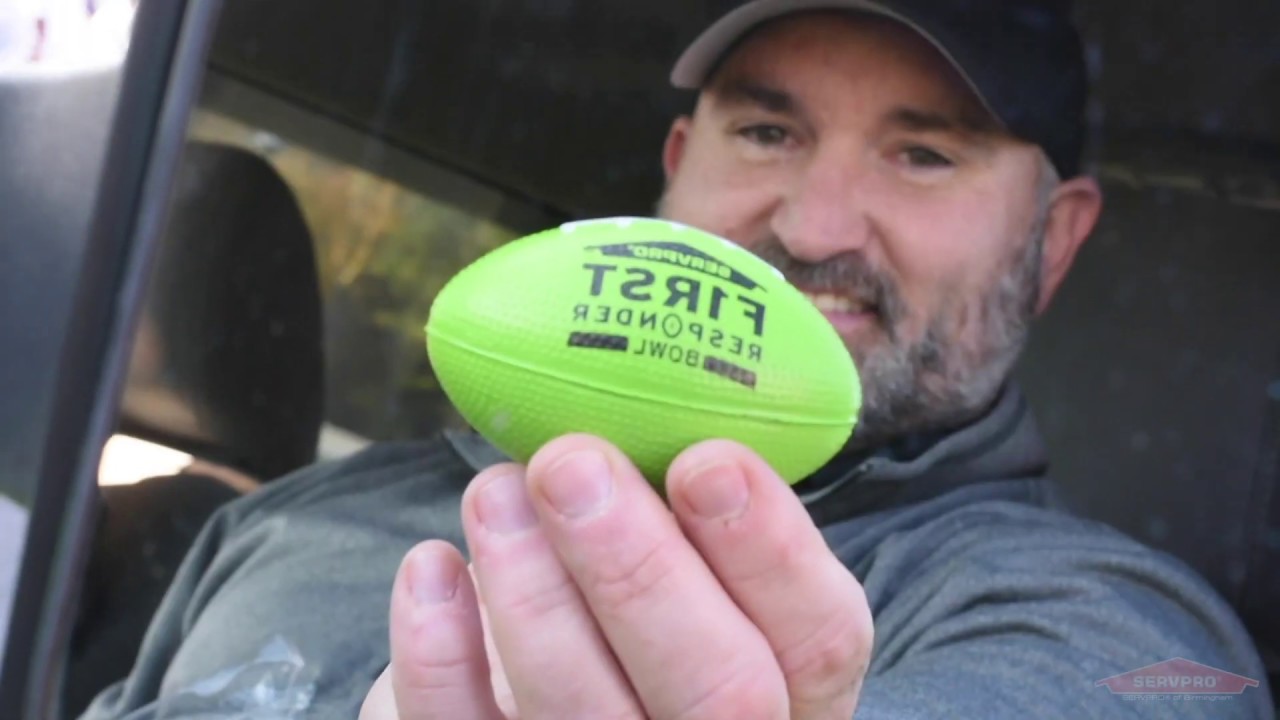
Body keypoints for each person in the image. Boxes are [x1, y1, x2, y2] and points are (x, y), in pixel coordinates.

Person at [80, 1, 1273, 718]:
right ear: (671, 170)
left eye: (922, 156)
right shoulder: (293, 521)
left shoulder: (1102, 631)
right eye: (765, 131)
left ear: (1050, 243)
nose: (813, 228)